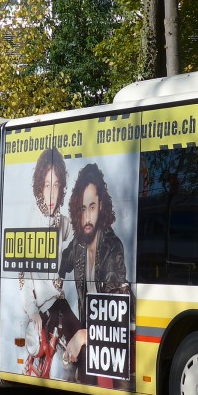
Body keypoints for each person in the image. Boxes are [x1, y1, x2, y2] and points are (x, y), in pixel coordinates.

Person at [58, 162, 132, 383]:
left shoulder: (112, 247)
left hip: (110, 343)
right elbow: (60, 263)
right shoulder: (78, 246)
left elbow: (116, 315)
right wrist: (55, 279)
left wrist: (82, 336)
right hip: (87, 336)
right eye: (83, 208)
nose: (87, 217)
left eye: (92, 206)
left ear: (101, 206)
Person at [19, 148, 82, 379]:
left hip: (61, 305)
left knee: (82, 343)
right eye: (48, 185)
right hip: (45, 311)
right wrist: (33, 310)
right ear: (40, 187)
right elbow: (23, 277)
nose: (52, 193)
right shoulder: (31, 221)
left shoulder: (63, 223)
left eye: (57, 185)